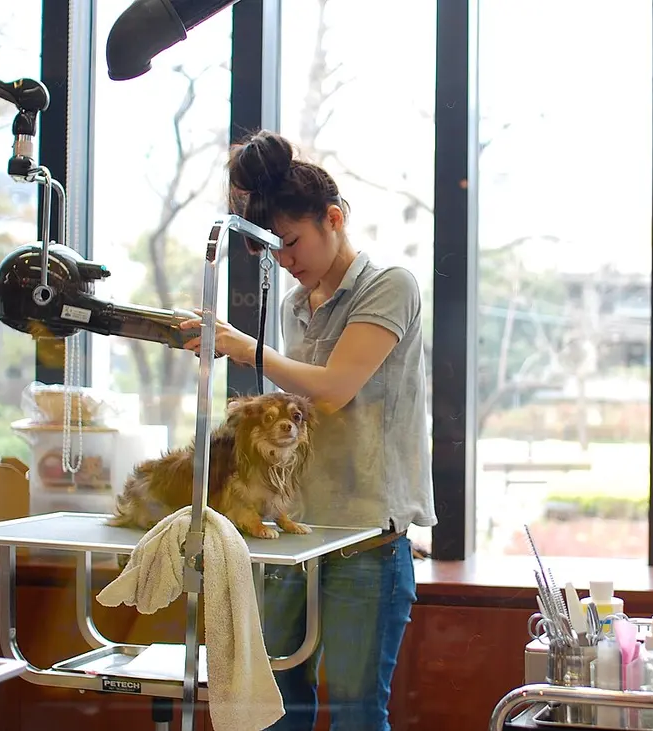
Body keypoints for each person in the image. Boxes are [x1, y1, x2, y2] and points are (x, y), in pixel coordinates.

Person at [179, 128, 437, 731]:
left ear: (334, 217)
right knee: (276, 704)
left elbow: (334, 387)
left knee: (354, 712)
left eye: (292, 243)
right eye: (274, 251)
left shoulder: (389, 286)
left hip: (365, 537)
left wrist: (245, 348)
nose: (286, 262)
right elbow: (299, 409)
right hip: (293, 528)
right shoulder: (298, 305)